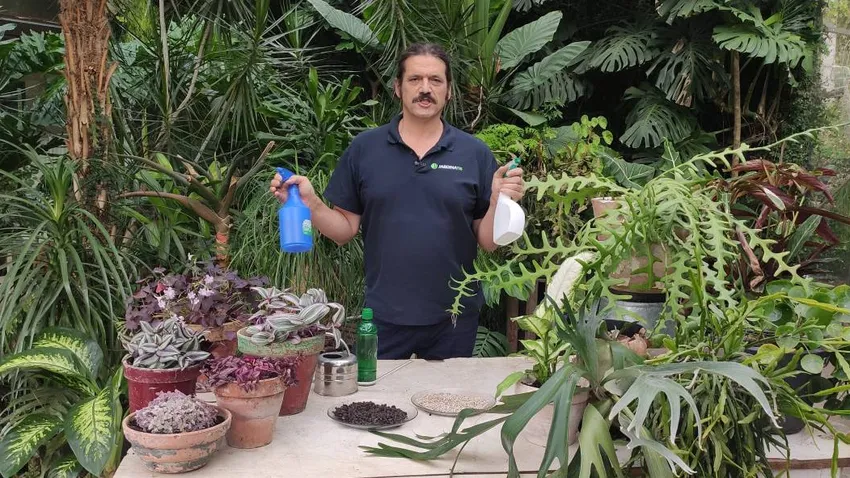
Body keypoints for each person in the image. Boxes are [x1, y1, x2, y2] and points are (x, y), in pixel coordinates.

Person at [270, 43, 525, 360]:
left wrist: (499, 199)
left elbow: (487, 241)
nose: (425, 89)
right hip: (384, 315)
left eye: (435, 80)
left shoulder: (473, 153)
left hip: (455, 317)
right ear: (398, 88)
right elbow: (344, 230)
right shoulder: (365, 149)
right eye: (415, 79)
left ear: (449, 91)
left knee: (449, 392)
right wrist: (311, 203)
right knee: (377, 393)